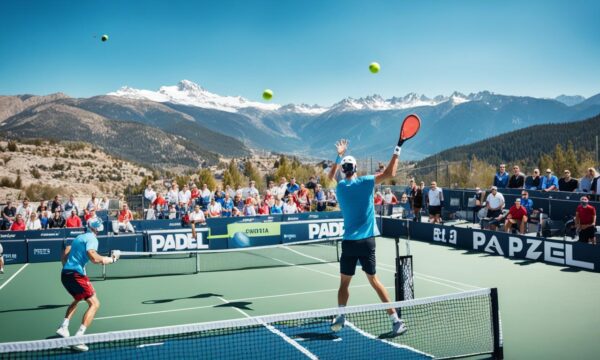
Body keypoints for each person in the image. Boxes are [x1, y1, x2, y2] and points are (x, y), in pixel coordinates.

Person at [327, 138, 406, 336]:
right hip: (367, 241)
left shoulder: (340, 187)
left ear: (344, 170)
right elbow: (390, 173)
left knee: (344, 284)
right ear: (355, 169)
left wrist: (339, 154)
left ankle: (341, 315)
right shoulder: (365, 181)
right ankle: (395, 321)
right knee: (375, 281)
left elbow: (330, 175)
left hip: (349, 243)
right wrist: (397, 149)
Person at [56, 219, 119, 352]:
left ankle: (64, 326)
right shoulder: (92, 239)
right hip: (76, 275)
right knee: (95, 304)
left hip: (65, 274)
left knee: (78, 298)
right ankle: (78, 338)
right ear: (97, 229)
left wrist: (68, 267)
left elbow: (66, 252)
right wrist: (111, 260)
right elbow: (94, 257)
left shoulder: (79, 237)